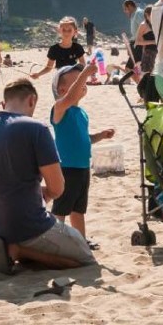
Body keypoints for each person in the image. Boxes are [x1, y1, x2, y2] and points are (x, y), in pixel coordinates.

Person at [0, 78, 95, 274]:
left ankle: (13, 250)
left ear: (3, 104)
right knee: (85, 256)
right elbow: (57, 188)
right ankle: (20, 252)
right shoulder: (36, 129)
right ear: (32, 101)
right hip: (30, 225)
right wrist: (42, 192)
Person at [50, 63, 115, 249]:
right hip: (66, 167)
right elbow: (70, 96)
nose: (83, 82)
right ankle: (56, 239)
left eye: (83, 79)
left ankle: (80, 239)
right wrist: (85, 73)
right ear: (62, 89)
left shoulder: (81, 113)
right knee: (61, 207)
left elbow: (84, 139)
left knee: (78, 208)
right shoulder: (59, 109)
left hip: (82, 167)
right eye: (78, 80)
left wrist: (101, 136)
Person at [31, 16, 86, 82]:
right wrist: (38, 74)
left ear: (75, 32)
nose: (66, 32)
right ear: (59, 30)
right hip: (60, 79)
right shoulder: (54, 49)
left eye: (69, 30)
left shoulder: (78, 47)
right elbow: (48, 68)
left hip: (74, 79)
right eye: (64, 30)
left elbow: (82, 64)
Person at [134, 5, 158, 73]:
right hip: (149, 53)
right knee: (147, 75)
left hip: (158, 53)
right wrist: (153, 42)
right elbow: (137, 42)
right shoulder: (143, 25)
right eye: (153, 15)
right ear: (147, 15)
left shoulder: (156, 23)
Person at [122, 0, 145, 65]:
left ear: (130, 6)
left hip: (139, 46)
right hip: (135, 45)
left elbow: (145, 29)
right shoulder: (134, 15)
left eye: (125, 9)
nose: (124, 11)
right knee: (132, 68)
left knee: (131, 68)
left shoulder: (138, 13)